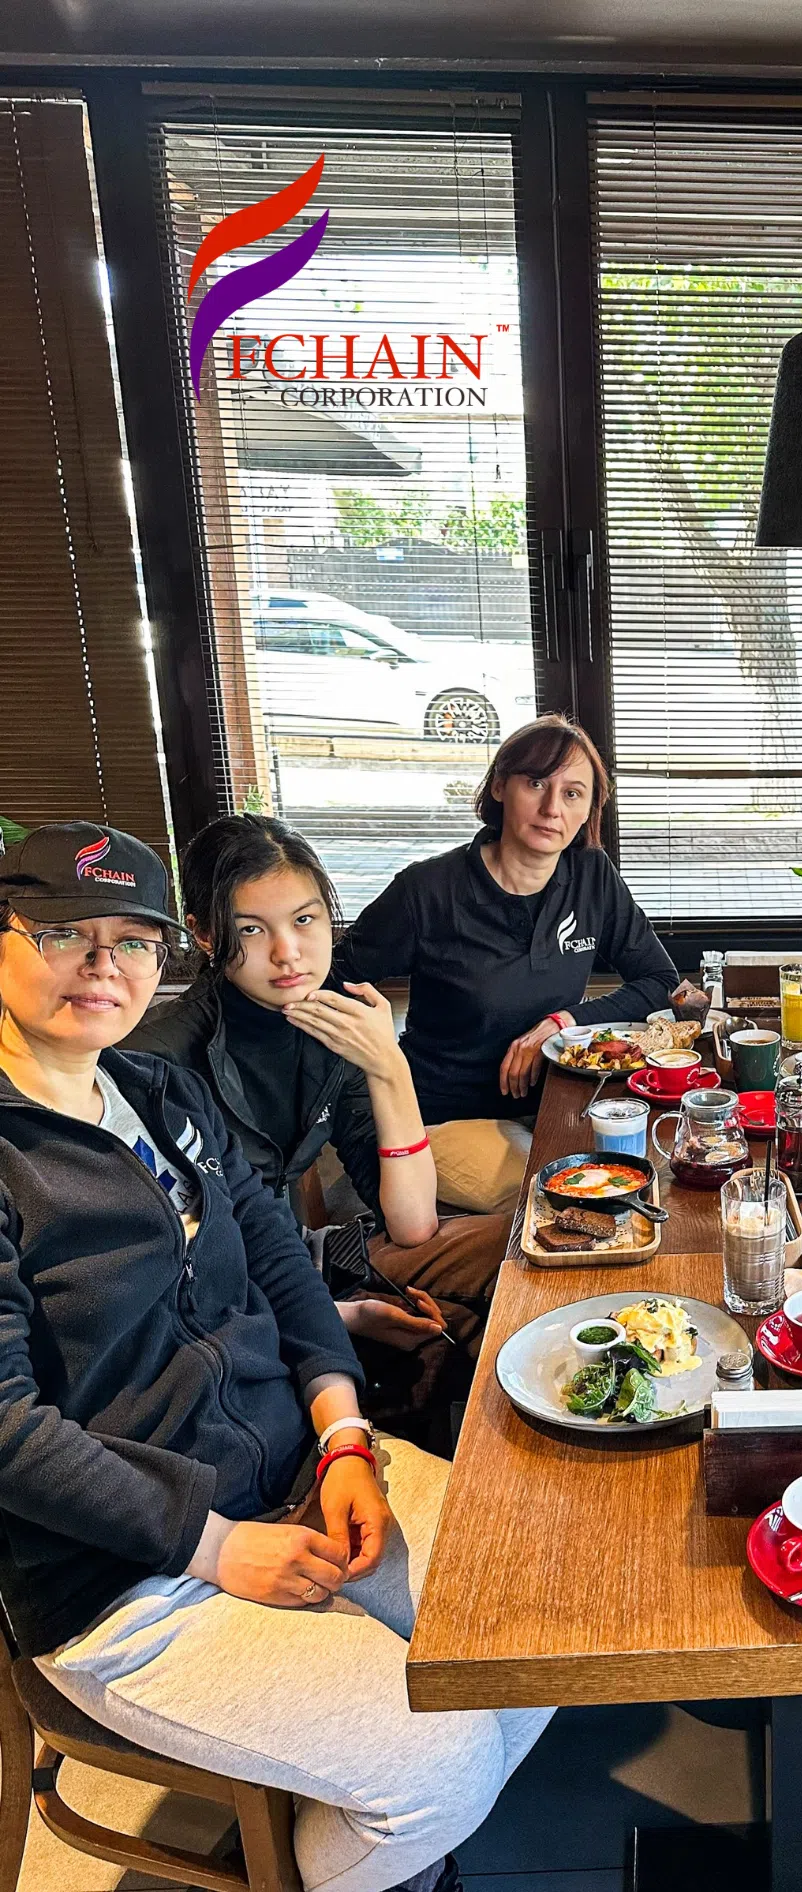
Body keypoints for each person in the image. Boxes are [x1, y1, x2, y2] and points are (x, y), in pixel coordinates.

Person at [0, 823, 550, 1892]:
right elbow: (8, 1431)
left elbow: (282, 1268)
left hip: (299, 1473)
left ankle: (393, 1854)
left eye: (131, 940)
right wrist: (209, 1545)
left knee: (542, 1620)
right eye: (66, 933)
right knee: (443, 1763)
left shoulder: (158, 1096)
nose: (104, 965)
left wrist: (344, 1437)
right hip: (128, 1575)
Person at [128, 814, 508, 1445]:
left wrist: (389, 1068)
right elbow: (182, 1276)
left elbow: (412, 1224)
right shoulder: (159, 1063)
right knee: (454, 1336)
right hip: (241, 1296)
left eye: (305, 920)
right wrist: (337, 1314)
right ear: (204, 933)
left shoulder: (334, 1023)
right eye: (251, 929)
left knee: (525, 1247)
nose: (288, 953)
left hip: (312, 1255)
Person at [334, 715, 677, 1215]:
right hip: (447, 1117)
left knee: (662, 1168)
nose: (552, 808)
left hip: (556, 1101)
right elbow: (332, 978)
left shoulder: (592, 876)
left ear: (589, 810)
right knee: (576, 1198)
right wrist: (371, 1074)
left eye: (573, 793)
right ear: (500, 786)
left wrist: (563, 1022)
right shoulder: (428, 891)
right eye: (536, 783)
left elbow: (660, 981)